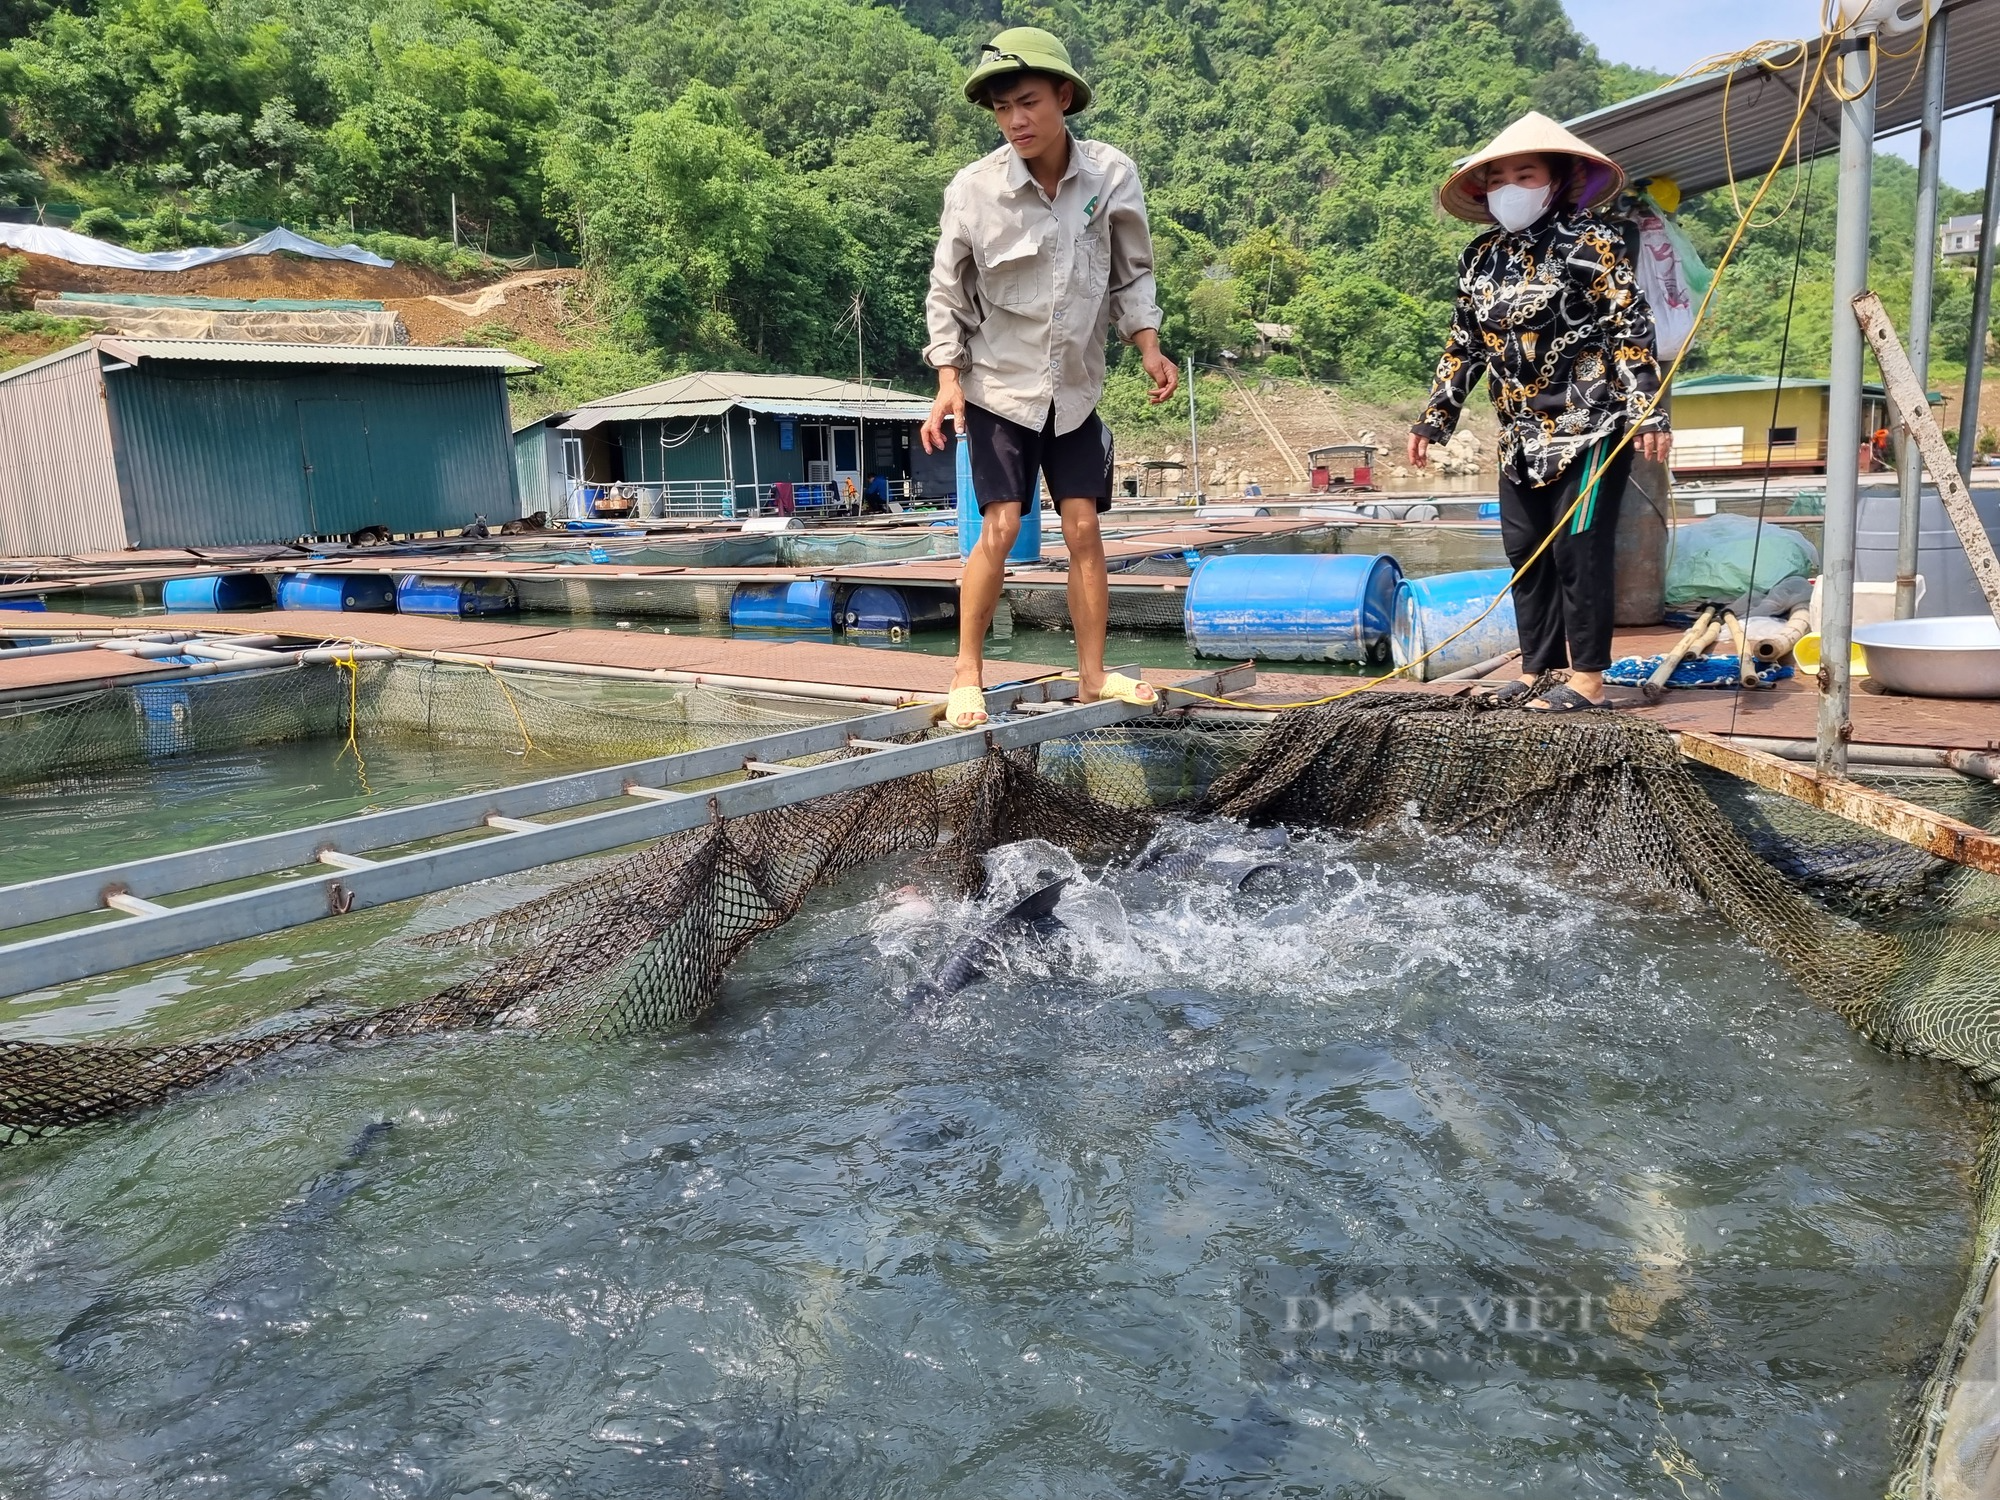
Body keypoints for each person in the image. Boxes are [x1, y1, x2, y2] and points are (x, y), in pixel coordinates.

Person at [920, 26, 1180, 731]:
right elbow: (947, 293)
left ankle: (1093, 676)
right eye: (1003, 109)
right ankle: (966, 673)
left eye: (1028, 102)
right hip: (999, 385)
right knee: (1001, 525)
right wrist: (948, 378)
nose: (1016, 121)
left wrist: (1149, 346)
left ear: (1063, 96)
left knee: (1084, 526)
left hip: (1076, 386)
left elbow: (1133, 273)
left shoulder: (1110, 176)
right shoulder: (973, 191)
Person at [1408, 112, 1672, 712]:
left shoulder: (1592, 242)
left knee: (1577, 547)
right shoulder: (1480, 259)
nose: (1510, 187)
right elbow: (1464, 343)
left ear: (1557, 180)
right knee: (1525, 547)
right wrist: (1435, 418)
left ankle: (1588, 678)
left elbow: (1628, 326)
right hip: (1519, 434)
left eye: (1524, 174)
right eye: (1498, 177)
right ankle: (1538, 667)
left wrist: (1647, 410)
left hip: (1592, 423)